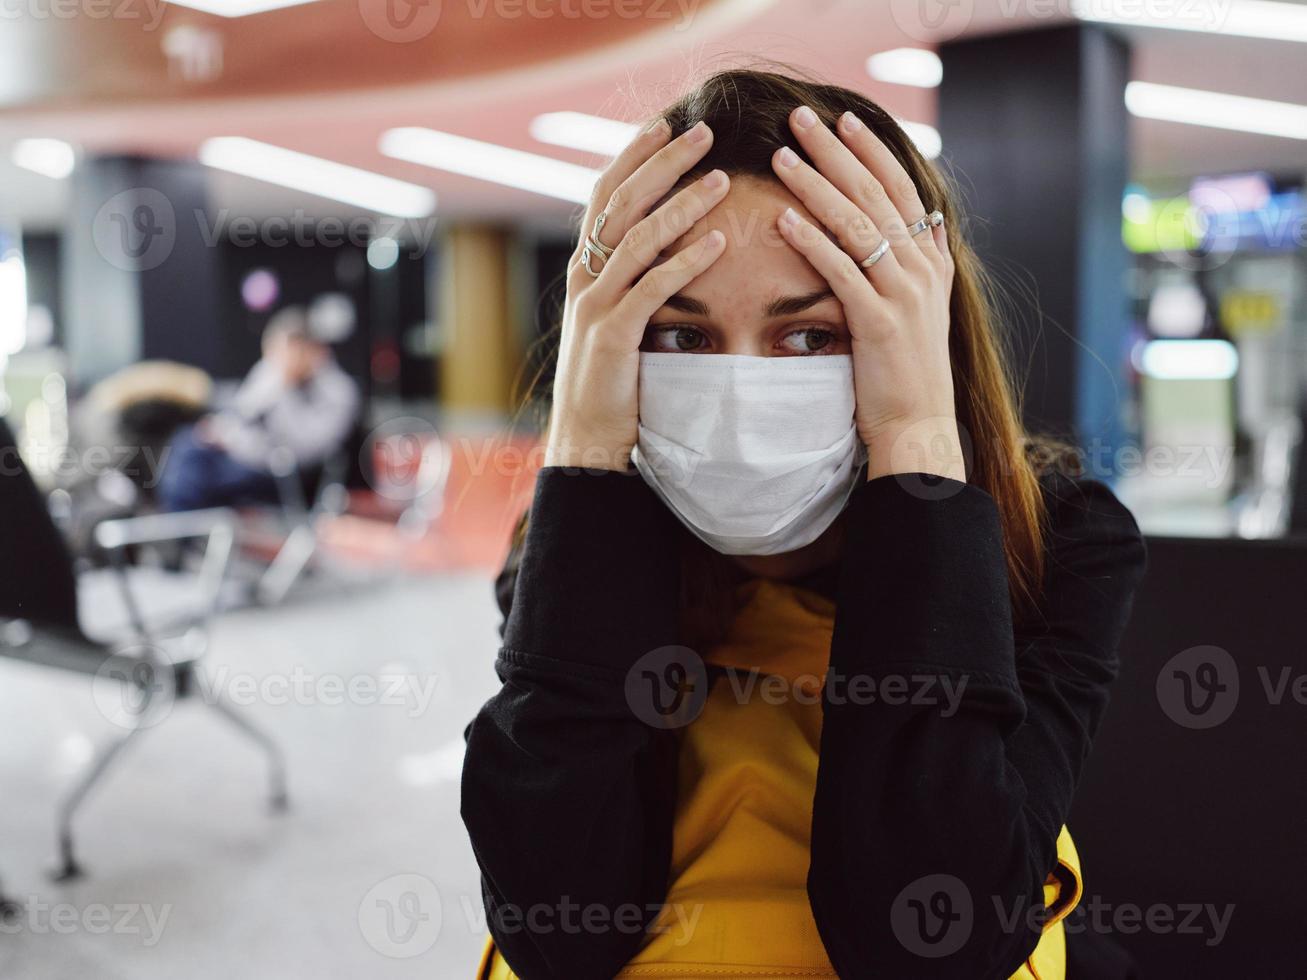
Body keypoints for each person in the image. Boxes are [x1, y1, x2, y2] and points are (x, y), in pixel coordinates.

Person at [461, 68, 1147, 980]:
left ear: (912, 334)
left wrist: (914, 443)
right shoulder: (578, 547)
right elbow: (556, 930)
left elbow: (925, 943)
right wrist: (583, 443)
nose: (743, 391)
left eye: (810, 337)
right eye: (680, 335)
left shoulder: (1053, 542)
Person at [156, 306, 358, 512]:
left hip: (285, 474)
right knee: (189, 443)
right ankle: (182, 529)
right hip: (249, 456)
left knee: (194, 474)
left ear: (309, 349)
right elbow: (242, 413)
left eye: (284, 351)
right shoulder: (270, 371)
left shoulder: (337, 391)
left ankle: (183, 533)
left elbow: (304, 451)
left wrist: (283, 389)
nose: (277, 358)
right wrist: (221, 433)